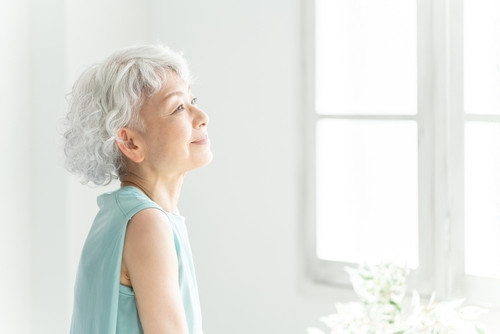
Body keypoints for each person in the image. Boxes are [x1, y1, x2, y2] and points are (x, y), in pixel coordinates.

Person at [64, 45, 212, 334]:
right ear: (130, 142)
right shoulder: (148, 223)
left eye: (193, 100)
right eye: (178, 107)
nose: (202, 115)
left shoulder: (123, 213)